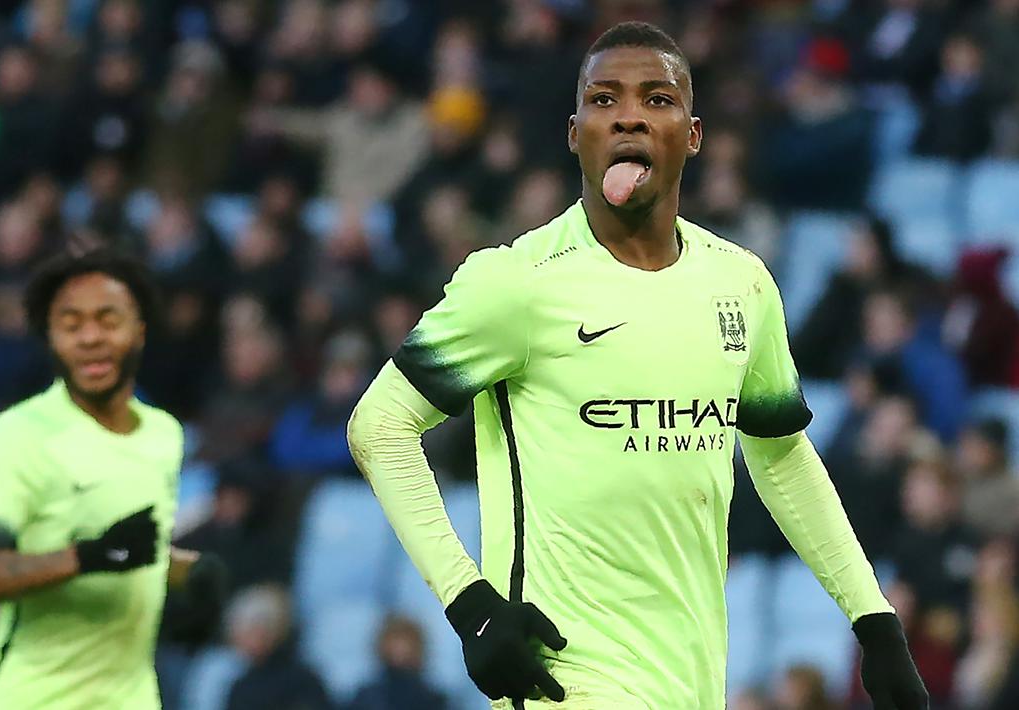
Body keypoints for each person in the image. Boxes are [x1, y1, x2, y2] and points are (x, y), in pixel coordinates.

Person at [346, 21, 928, 709]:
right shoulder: (516, 283)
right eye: (604, 100)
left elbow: (779, 454)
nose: (628, 116)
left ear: (693, 135)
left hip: (691, 682)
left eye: (656, 98)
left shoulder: (740, 283)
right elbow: (379, 425)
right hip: (568, 682)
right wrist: (468, 603)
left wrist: (873, 618)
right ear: (575, 134)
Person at [0, 248, 228, 710]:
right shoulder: (17, 437)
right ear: (51, 339)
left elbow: (131, 550)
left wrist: (184, 572)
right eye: (72, 325)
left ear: (139, 330)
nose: (91, 338)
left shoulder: (163, 436)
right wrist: (84, 558)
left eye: (108, 320)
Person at [345, 614, 448, 710]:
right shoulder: (366, 698)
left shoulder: (433, 701)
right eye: (395, 643)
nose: (399, 649)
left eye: (405, 643)